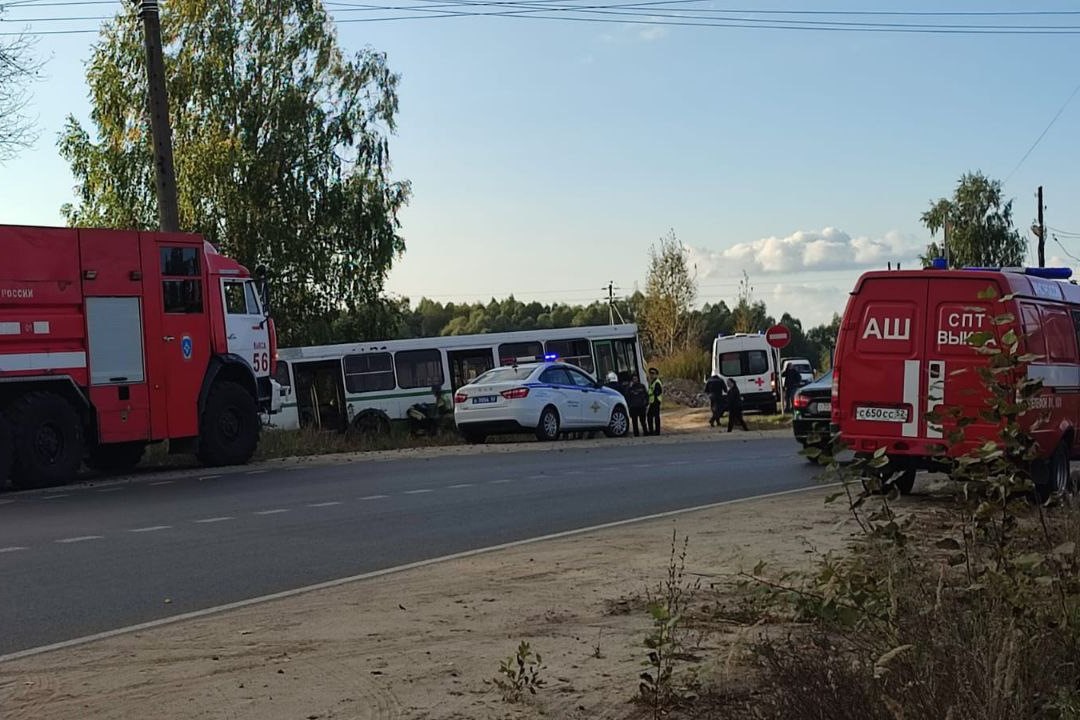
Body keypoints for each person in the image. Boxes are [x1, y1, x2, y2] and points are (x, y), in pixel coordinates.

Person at [646, 367, 663, 436]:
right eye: (650, 373)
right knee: (650, 416)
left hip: (656, 401)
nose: (651, 375)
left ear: (656, 374)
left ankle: (657, 432)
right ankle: (652, 431)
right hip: (652, 402)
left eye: (653, 373)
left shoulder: (657, 382)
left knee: (655, 417)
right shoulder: (652, 382)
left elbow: (657, 392)